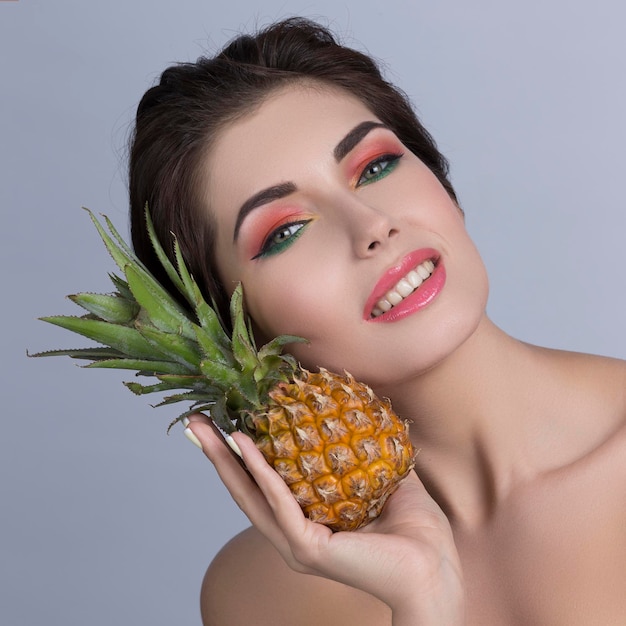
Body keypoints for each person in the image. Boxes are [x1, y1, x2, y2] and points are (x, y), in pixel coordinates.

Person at [128, 17, 626, 625]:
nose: (371, 226)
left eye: (374, 166)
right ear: (235, 327)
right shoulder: (258, 596)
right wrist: (423, 600)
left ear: (441, 184)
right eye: (285, 231)